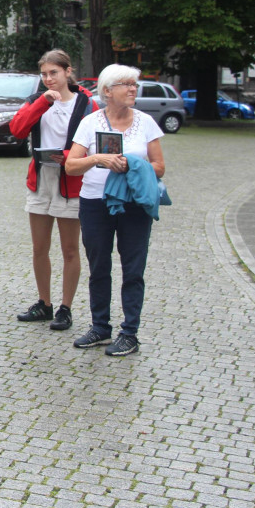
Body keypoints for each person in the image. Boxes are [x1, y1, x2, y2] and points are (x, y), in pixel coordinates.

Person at [64, 64, 165, 357]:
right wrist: (99, 159)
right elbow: (71, 165)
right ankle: (100, 327)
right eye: (126, 84)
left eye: (135, 84)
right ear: (108, 91)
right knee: (99, 266)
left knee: (133, 268)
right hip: (95, 201)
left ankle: (130, 333)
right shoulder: (90, 122)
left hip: (134, 203)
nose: (133, 89)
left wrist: (134, 164)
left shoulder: (145, 122)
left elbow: (159, 166)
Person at [8, 49, 97, 331]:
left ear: (68, 72)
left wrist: (70, 154)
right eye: (44, 74)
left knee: (70, 249)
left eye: (54, 73)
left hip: (71, 181)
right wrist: (42, 103)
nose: (48, 79)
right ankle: (44, 303)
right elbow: (18, 130)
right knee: (39, 248)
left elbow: (95, 143)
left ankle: (65, 308)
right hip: (41, 179)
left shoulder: (86, 105)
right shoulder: (37, 100)